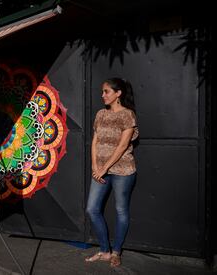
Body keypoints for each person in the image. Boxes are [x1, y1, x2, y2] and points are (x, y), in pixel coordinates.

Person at [84, 78, 139, 267]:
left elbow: (123, 145)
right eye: (102, 92)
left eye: (106, 91)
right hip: (100, 170)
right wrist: (94, 166)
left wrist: (104, 168)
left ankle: (116, 252)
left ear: (118, 93)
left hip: (122, 170)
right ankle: (105, 251)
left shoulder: (127, 115)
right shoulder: (100, 114)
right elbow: (95, 141)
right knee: (92, 209)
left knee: (121, 210)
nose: (103, 95)